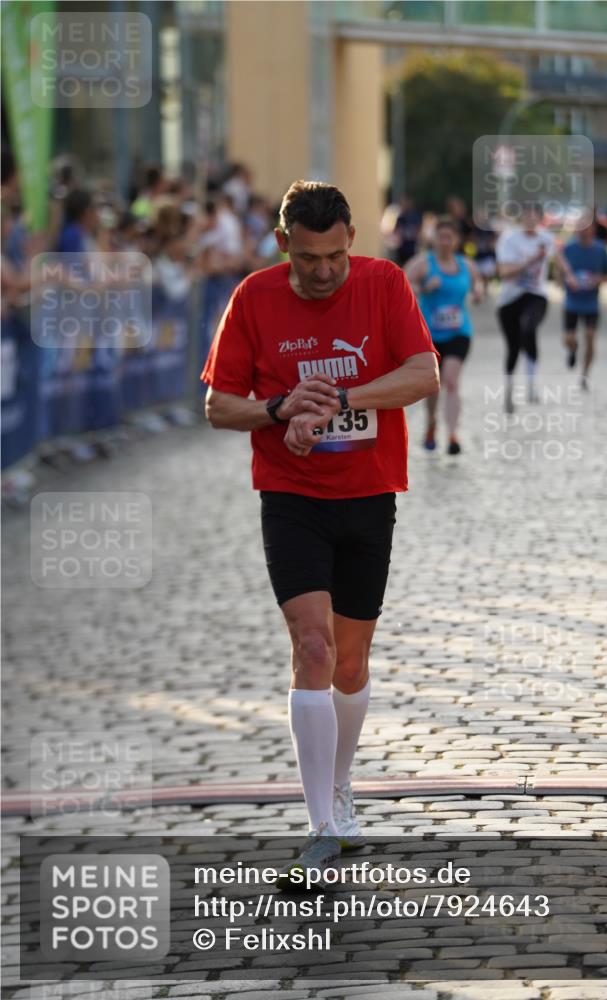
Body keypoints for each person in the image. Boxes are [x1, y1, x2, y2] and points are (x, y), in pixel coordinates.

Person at [201, 180, 438, 883]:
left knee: (350, 665)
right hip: (291, 496)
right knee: (311, 646)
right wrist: (278, 410)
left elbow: (422, 374)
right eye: (309, 259)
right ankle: (321, 828)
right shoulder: (253, 297)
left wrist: (338, 400)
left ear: (351, 240)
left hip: (368, 495)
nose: (325, 271)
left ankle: (339, 784)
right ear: (283, 246)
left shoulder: (384, 283)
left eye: (335, 255)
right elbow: (218, 406)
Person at [405, 216, 483, 454]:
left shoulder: (465, 265)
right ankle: (431, 424)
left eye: (450, 238)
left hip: (460, 332)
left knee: (451, 381)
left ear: (457, 240)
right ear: (434, 239)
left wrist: (479, 292)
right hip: (430, 335)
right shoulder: (424, 263)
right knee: (433, 386)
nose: (445, 242)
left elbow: (478, 283)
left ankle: (452, 435)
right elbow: (403, 285)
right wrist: (424, 288)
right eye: (441, 237)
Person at [495, 203, 555, 413]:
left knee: (529, 328)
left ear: (540, 218)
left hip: (537, 295)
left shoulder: (546, 239)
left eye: (534, 217)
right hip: (510, 299)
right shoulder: (509, 240)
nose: (530, 221)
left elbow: (560, 259)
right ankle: (510, 390)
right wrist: (530, 261)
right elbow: (504, 272)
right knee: (513, 346)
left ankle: (532, 385)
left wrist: (570, 276)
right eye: (526, 217)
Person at [559, 220, 607, 390]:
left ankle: (584, 374)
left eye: (586, 227)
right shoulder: (569, 249)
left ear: (593, 230)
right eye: (579, 226)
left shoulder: (600, 249)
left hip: (591, 304)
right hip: (572, 302)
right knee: (569, 339)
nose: (582, 230)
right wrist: (565, 280)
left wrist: (599, 279)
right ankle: (573, 350)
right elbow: (559, 271)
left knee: (590, 337)